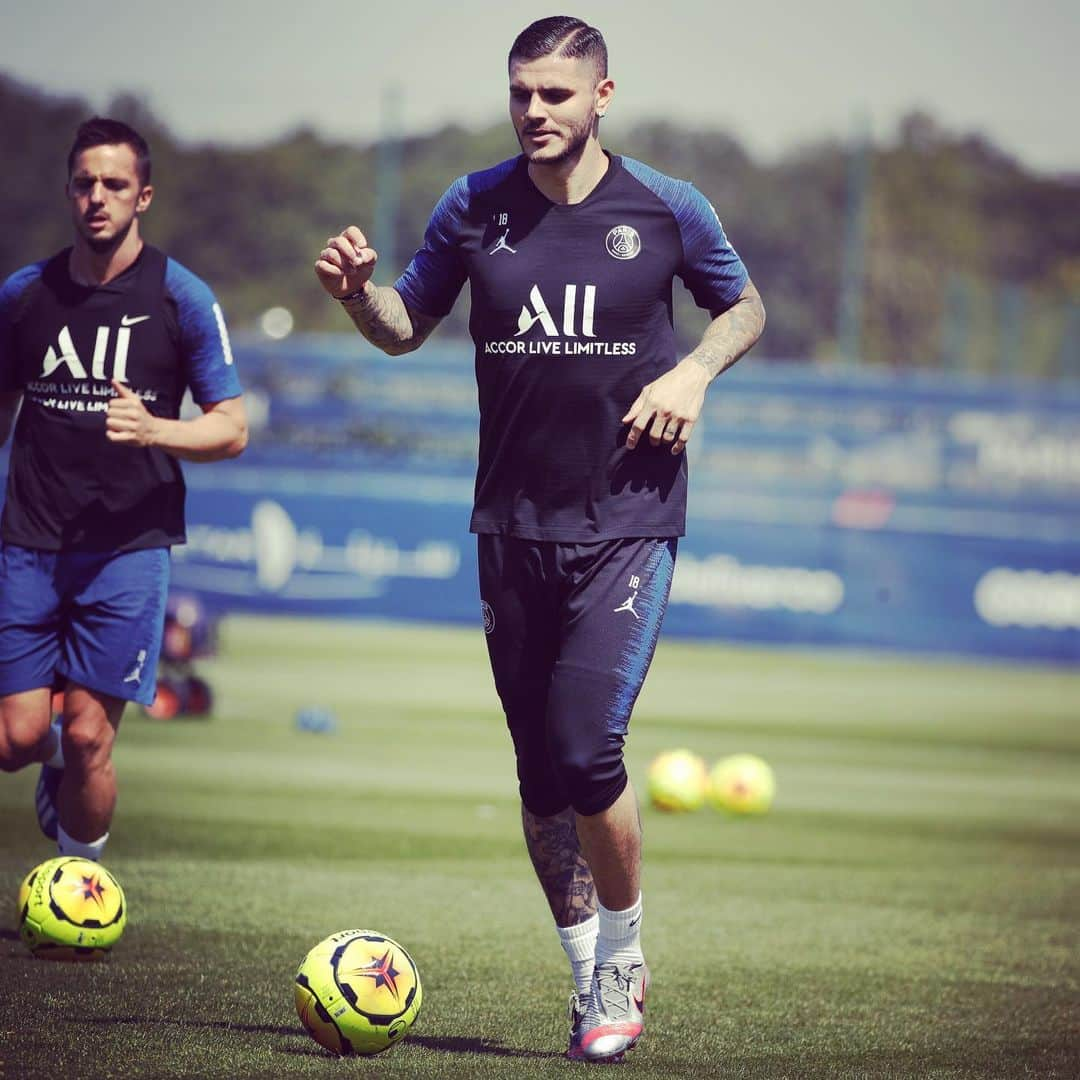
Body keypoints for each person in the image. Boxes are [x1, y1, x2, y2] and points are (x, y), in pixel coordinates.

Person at [314, 15, 764, 1063]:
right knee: (535, 776)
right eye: (521, 92)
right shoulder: (472, 205)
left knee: (584, 748)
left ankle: (625, 955)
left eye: (556, 95)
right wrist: (351, 297)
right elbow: (402, 324)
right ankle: (585, 976)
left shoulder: (666, 207)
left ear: (602, 97)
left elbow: (743, 310)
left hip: (629, 524)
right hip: (510, 526)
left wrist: (693, 371)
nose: (534, 111)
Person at [0, 117, 248, 865]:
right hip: (29, 546)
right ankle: (49, 763)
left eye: (114, 184)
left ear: (144, 196)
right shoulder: (22, 296)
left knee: (88, 735)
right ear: (69, 193)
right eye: (84, 184)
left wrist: (154, 430)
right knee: (15, 740)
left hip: (127, 554)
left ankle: (80, 893)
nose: (97, 198)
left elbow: (231, 428)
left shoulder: (183, 298)